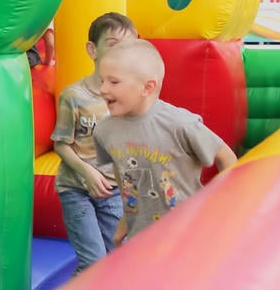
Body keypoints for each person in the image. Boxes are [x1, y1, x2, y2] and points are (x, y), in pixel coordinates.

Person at [94, 40, 237, 245]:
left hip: (188, 234)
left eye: (114, 82)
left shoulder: (180, 124)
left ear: (147, 87)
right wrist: (125, 220)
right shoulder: (104, 131)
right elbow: (122, 172)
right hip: (140, 238)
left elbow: (226, 158)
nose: (103, 89)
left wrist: (223, 204)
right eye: (102, 81)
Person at [51, 12, 137, 273]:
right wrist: (86, 171)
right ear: (92, 50)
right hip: (76, 189)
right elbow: (61, 144)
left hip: (111, 190)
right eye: (112, 45)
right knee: (93, 262)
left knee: (116, 260)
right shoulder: (75, 96)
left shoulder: (129, 97)